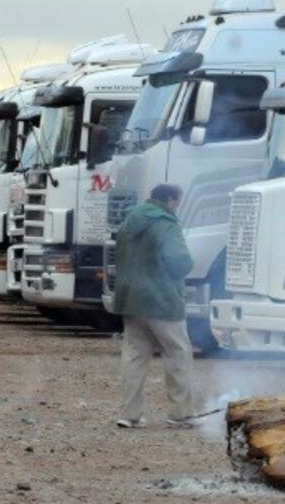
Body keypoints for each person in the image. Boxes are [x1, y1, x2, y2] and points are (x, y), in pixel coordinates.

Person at [112, 183, 196, 428]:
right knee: (178, 354)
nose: (177, 207)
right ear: (169, 200)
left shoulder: (129, 222)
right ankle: (180, 415)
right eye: (177, 202)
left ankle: (128, 415)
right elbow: (179, 262)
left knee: (134, 357)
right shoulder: (165, 224)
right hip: (162, 301)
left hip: (130, 300)